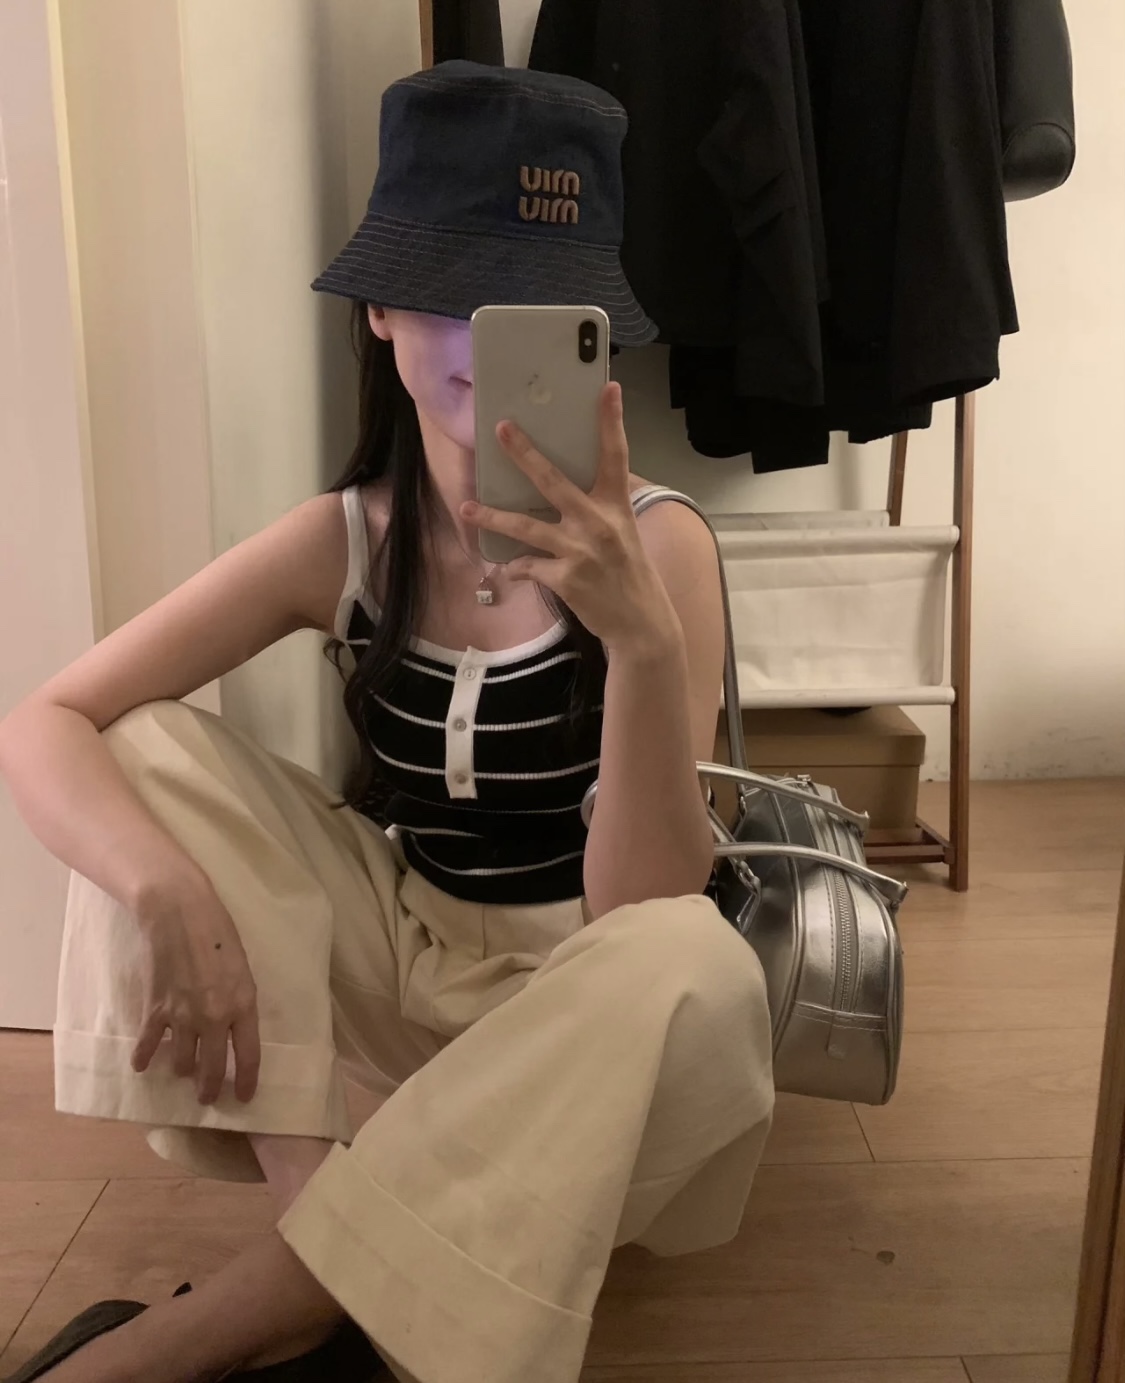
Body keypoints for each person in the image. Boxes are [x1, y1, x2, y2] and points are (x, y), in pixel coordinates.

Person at [0, 62, 774, 1383]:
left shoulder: (663, 548)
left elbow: (637, 908)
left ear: (590, 336)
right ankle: (335, 1257)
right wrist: (165, 890)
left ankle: (232, 1323)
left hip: (589, 1027)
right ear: (377, 308)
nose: (488, 333)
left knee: (687, 957)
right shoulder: (345, 539)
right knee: (144, 751)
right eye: (455, 285)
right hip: (409, 969)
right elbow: (50, 718)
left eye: (538, 305)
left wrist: (640, 640)